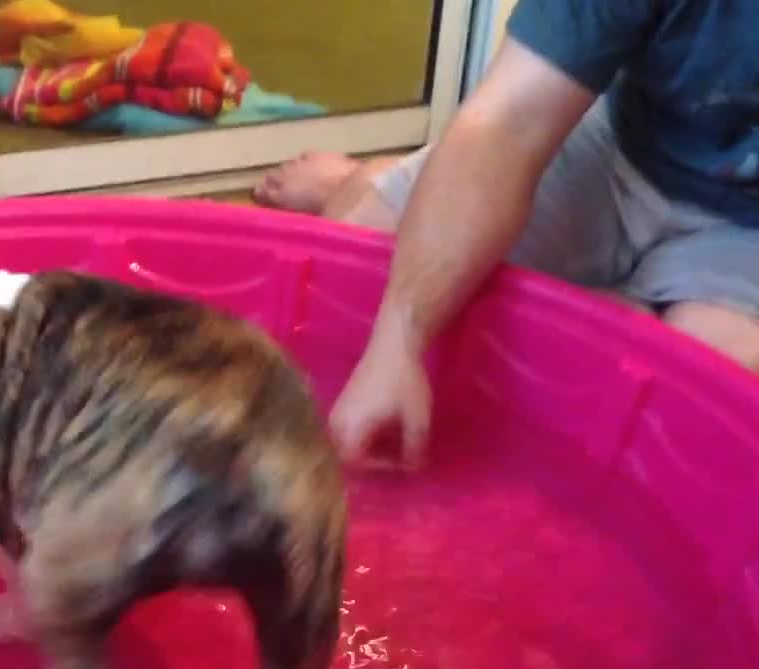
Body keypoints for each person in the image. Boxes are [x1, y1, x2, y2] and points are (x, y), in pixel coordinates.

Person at [254, 1, 759, 470]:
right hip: (627, 149)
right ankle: (360, 181)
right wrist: (399, 339)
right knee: (364, 247)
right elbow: (504, 128)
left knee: (702, 398)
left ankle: (629, 306)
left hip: (744, 231)